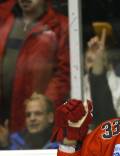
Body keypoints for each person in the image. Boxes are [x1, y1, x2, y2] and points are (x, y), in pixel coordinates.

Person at [0, 0, 70, 133]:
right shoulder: (4, 16)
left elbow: (63, 74)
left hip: (35, 118)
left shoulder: (60, 26)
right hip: (4, 115)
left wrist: (43, 108)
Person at [84, 33, 120, 125]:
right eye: (89, 61)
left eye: (96, 60)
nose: (92, 65)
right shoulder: (78, 84)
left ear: (104, 62)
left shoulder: (119, 85)